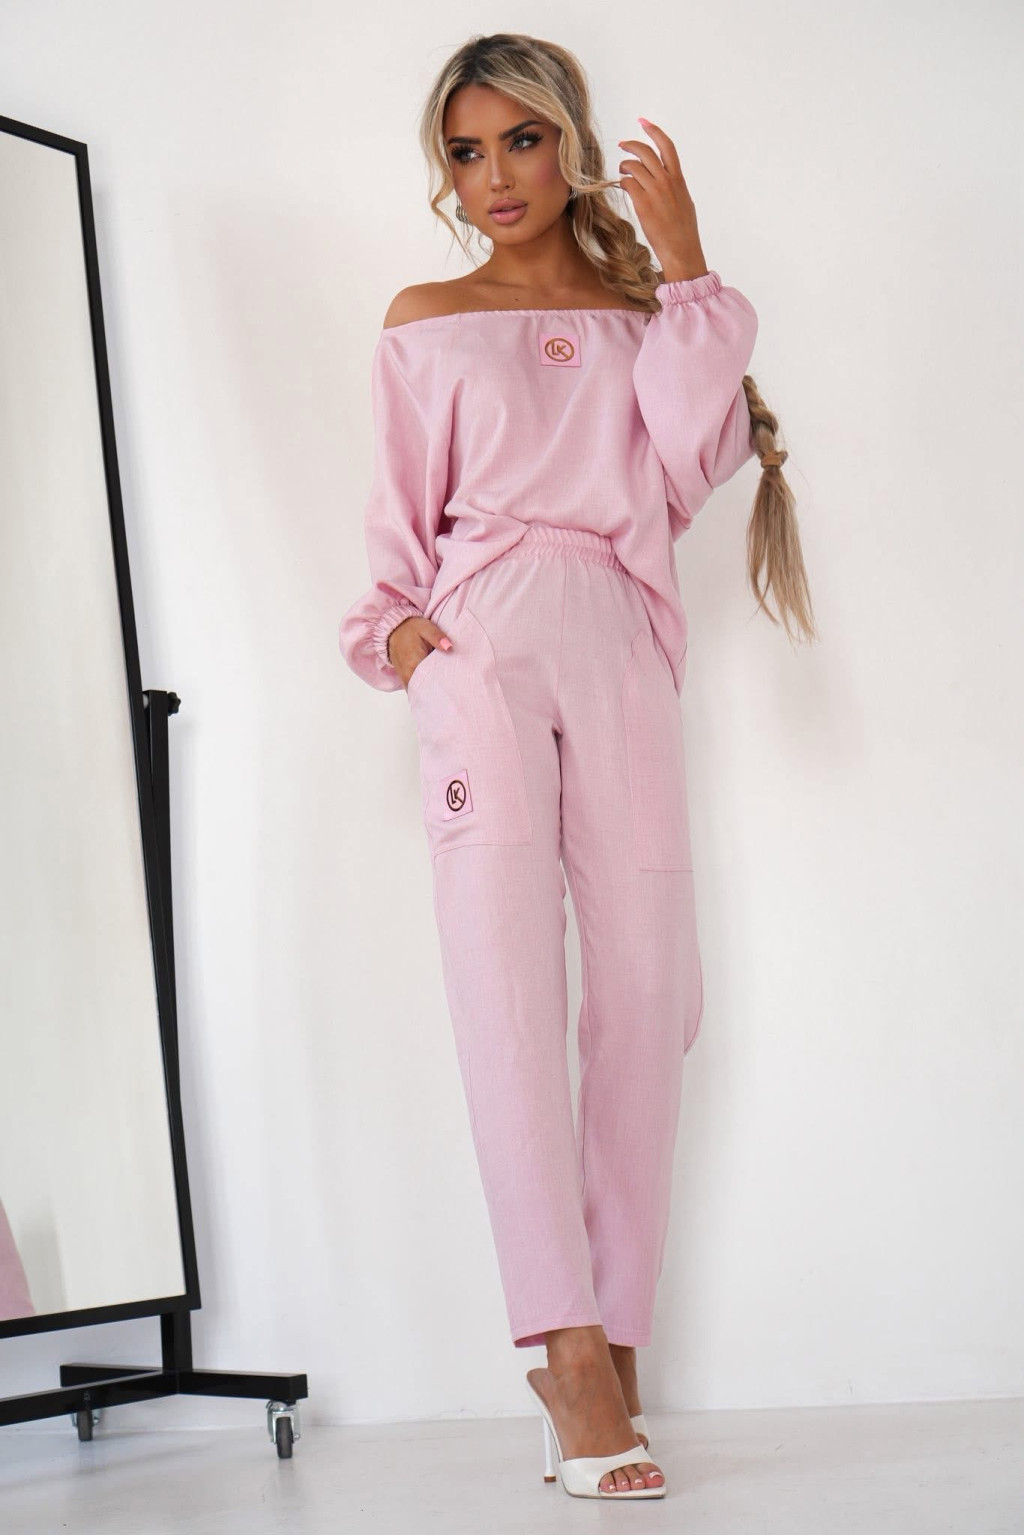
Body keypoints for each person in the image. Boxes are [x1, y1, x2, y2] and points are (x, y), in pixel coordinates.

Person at [338, 32, 815, 1501]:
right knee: (505, 998)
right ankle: (567, 1349)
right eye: (466, 151)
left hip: (618, 641)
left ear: (571, 144)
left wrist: (688, 268)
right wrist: (410, 647)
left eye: (522, 141)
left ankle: (616, 1327)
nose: (494, 176)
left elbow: (689, 469)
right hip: (481, 648)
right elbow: (392, 537)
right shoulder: (424, 322)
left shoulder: (642, 321)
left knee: (651, 994)